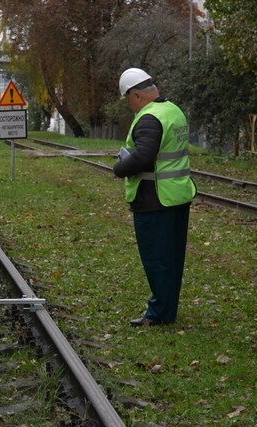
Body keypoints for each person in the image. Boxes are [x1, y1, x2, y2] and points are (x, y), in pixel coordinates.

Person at [113, 68, 196, 327]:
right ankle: (166, 309)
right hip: (177, 195)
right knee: (171, 258)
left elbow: (143, 157)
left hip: (155, 200)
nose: (129, 105)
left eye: (128, 99)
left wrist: (119, 168)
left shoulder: (149, 118)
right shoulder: (173, 110)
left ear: (136, 95)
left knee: (157, 259)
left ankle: (159, 314)